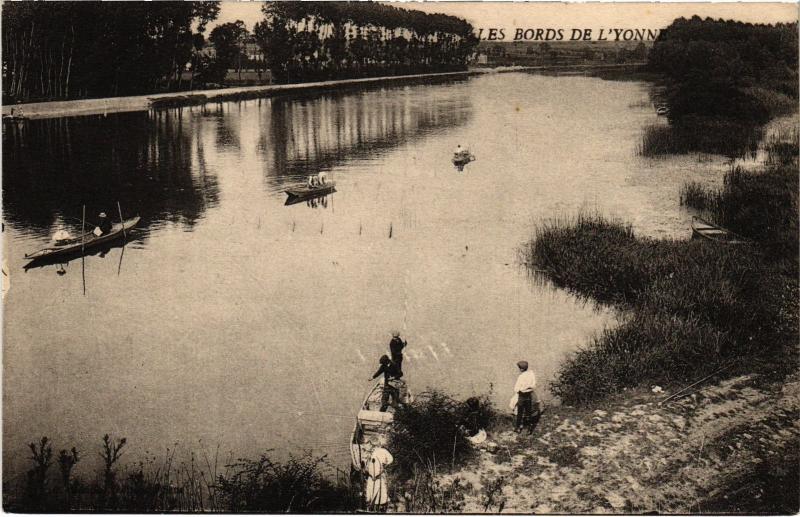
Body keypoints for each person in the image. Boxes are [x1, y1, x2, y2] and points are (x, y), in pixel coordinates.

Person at [513, 360, 540, 434]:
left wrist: (520, 390)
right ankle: (529, 428)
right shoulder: (531, 374)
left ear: (521, 369)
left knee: (520, 412)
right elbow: (534, 385)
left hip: (522, 396)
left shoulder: (521, 377)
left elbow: (516, 389)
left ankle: (518, 428)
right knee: (528, 412)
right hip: (529, 396)